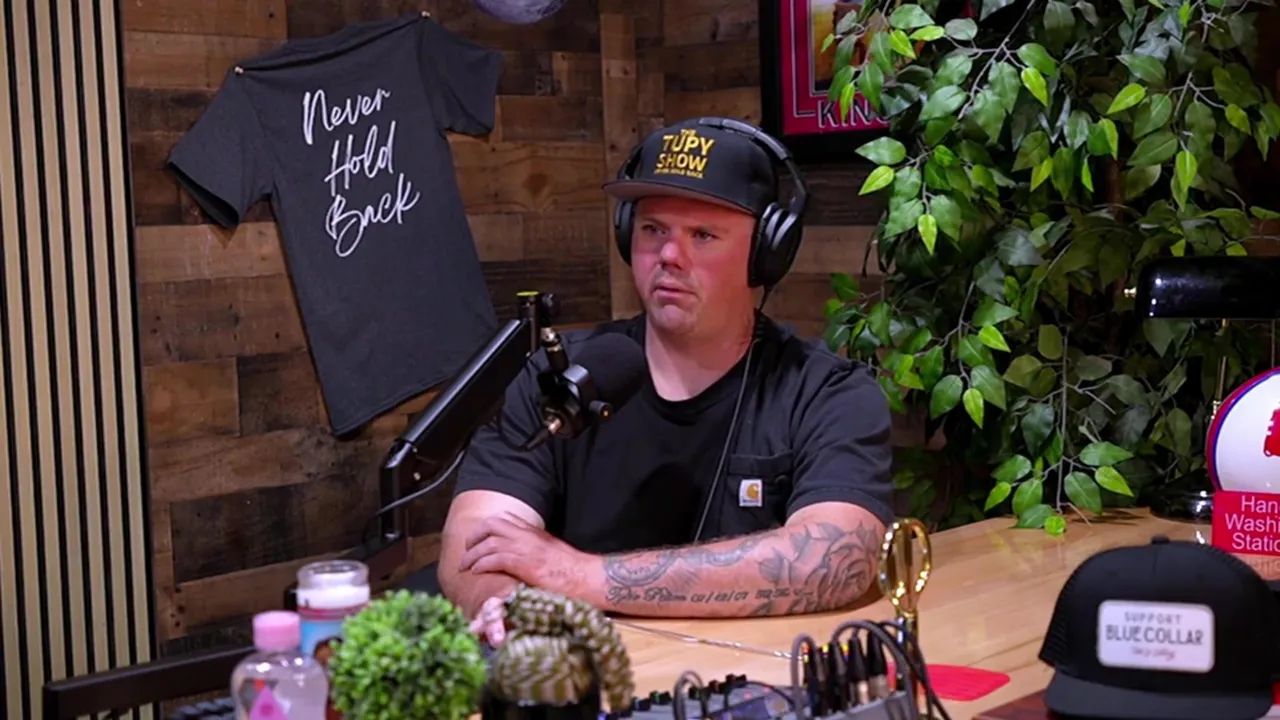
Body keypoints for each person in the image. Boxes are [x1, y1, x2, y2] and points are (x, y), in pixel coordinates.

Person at [436, 117, 895, 646]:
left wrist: (582, 576)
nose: (670, 256)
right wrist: (502, 605)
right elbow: (475, 543)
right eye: (653, 230)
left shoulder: (828, 393)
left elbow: (839, 557)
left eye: (702, 235)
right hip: (585, 670)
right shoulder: (554, 379)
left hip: (756, 674)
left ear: (765, 254)